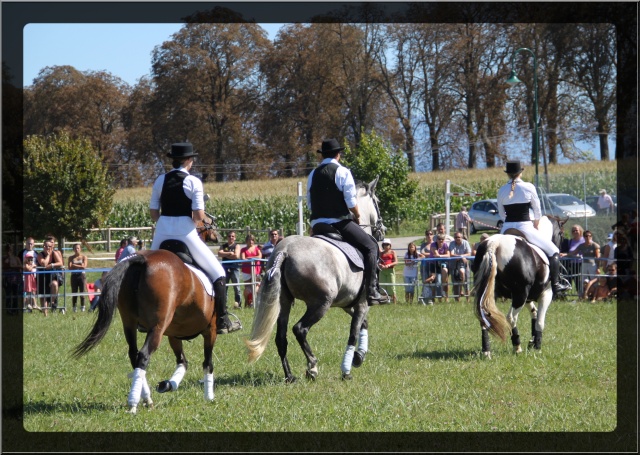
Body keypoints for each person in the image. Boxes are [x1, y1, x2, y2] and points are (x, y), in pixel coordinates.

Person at [149, 142, 240, 335]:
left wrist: (165, 222)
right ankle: (222, 320)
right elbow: (198, 216)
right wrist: (192, 221)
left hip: (162, 231)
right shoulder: (193, 182)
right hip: (186, 233)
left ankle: (142, 318)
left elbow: (153, 211)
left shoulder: (160, 180)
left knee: (144, 268)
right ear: (189, 161)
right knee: (219, 273)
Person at [306, 138, 389, 305]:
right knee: (372, 246)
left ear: (322, 156)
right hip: (338, 223)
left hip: (317, 225)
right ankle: (372, 290)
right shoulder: (343, 172)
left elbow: (309, 203)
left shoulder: (312, 174)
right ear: (338, 155)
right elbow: (351, 202)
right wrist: (357, 216)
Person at [497, 160, 570, 298]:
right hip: (525, 227)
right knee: (554, 251)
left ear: (508, 174)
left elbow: (501, 214)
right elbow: (537, 210)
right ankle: (556, 285)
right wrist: (536, 224)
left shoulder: (502, 190)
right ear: (520, 172)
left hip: (506, 228)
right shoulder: (528, 187)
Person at [36, 239, 64, 315]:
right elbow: (44, 264)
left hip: (52, 276)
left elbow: (60, 263)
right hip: (42, 277)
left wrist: (52, 265)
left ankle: (52, 302)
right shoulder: (40, 255)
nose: (47, 248)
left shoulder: (54, 253)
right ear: (43, 246)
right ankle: (45, 315)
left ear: (52, 247)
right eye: (45, 246)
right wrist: (48, 255)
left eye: (49, 246)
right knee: (43, 297)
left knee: (55, 284)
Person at [218, 231, 243, 309]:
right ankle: (224, 305)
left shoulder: (237, 246)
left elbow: (236, 255)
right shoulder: (223, 246)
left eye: (232, 236)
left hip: (234, 268)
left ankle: (238, 304)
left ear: (235, 238)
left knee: (237, 287)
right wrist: (230, 253)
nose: (231, 237)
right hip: (225, 269)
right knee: (224, 287)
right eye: (229, 236)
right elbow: (219, 253)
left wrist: (225, 254)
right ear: (227, 237)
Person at [560, 224, 585, 296]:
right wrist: (564, 254)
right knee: (570, 279)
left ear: (580, 231)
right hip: (572, 263)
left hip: (581, 263)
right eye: (573, 230)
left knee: (578, 280)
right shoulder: (570, 241)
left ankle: (581, 295)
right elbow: (570, 252)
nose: (575, 232)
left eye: (576, 230)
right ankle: (566, 295)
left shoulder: (584, 240)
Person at [574, 230, 600, 298]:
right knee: (583, 280)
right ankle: (582, 295)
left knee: (594, 280)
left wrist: (598, 268)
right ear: (584, 237)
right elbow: (573, 253)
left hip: (592, 265)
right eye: (586, 236)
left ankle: (594, 296)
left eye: (589, 235)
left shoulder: (594, 245)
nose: (588, 237)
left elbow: (598, 258)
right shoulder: (581, 245)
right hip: (584, 264)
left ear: (591, 236)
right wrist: (564, 254)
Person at [240, 234, 262, 308]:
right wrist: (253, 259)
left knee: (257, 285)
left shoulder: (257, 249)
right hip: (246, 271)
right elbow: (243, 258)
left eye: (252, 240)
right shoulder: (243, 250)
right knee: (248, 287)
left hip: (256, 270)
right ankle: (247, 301)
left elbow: (259, 257)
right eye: (249, 239)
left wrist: (250, 258)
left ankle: (254, 301)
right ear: (246, 241)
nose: (251, 241)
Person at [449, 232, 472, 300]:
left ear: (461, 237)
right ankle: (457, 300)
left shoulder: (465, 243)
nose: (457, 238)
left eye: (458, 237)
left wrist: (461, 256)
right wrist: (461, 256)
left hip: (464, 264)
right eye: (455, 237)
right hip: (454, 265)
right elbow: (451, 254)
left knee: (466, 282)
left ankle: (468, 299)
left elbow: (469, 253)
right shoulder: (452, 243)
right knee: (455, 283)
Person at [3, 243, 23, 314]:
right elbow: (5, 266)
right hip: (7, 278)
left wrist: (14, 266)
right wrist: (13, 265)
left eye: (11, 249)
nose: (10, 250)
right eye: (8, 249)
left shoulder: (16, 258)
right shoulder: (4, 258)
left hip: (16, 278)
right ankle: (8, 309)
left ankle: (15, 309)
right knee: (8, 294)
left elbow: (21, 266)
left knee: (15, 294)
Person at [67, 243, 88, 312]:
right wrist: (79, 265)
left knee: (82, 291)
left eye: (78, 248)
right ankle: (74, 307)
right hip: (74, 276)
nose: (77, 250)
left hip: (81, 275)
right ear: (73, 249)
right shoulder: (71, 258)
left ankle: (83, 306)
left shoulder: (84, 257)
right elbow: (70, 267)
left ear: (80, 249)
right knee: (74, 291)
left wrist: (74, 265)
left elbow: (84, 266)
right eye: (75, 248)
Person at [430, 233, 451, 300]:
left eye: (442, 239)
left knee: (445, 278)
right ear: (436, 239)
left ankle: (445, 296)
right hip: (434, 264)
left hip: (443, 263)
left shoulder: (445, 245)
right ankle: (436, 298)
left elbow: (448, 255)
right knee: (436, 281)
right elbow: (436, 254)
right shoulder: (433, 244)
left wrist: (441, 256)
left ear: (444, 240)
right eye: (439, 239)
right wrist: (442, 255)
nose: (440, 240)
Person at [418, 230, 436, 305]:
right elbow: (421, 253)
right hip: (424, 265)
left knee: (433, 280)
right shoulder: (423, 245)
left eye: (431, 234)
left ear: (433, 235)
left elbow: (435, 253)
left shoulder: (435, 244)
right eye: (427, 234)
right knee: (425, 280)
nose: (429, 235)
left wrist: (427, 254)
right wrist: (431, 254)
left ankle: (432, 297)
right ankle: (425, 298)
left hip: (433, 265)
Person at [378, 239, 398, 304]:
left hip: (390, 270)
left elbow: (396, 262)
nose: (386, 246)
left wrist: (389, 265)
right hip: (382, 271)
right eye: (384, 244)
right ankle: (384, 302)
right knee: (382, 287)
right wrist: (381, 265)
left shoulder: (393, 252)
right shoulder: (381, 253)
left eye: (387, 244)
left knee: (392, 287)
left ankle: (394, 302)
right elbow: (379, 262)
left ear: (390, 245)